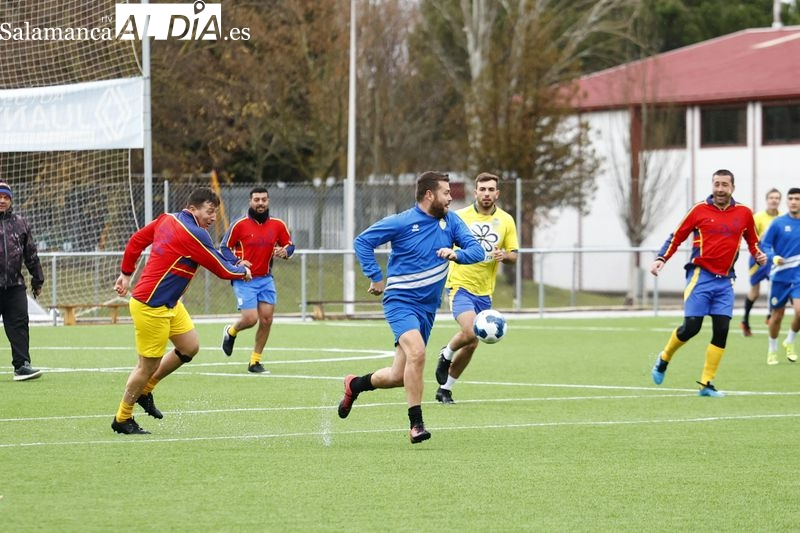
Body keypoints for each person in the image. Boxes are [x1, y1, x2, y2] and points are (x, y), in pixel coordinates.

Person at [337, 171, 484, 443]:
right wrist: (375, 276)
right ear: (430, 195)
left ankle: (355, 384)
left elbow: (478, 251)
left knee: (397, 376)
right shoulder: (402, 221)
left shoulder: (451, 222)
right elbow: (363, 242)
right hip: (400, 302)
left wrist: (457, 254)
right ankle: (416, 424)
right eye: (446, 193)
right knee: (417, 353)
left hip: (427, 309)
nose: (451, 197)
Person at [111, 187, 252, 435]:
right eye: (209, 212)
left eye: (215, 213)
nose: (212, 218)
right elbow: (221, 270)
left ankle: (146, 390)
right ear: (193, 208)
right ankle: (122, 418)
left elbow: (137, 240)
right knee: (146, 366)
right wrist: (241, 270)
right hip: (150, 306)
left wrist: (125, 274)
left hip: (170, 304)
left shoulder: (167, 219)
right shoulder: (194, 233)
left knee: (189, 347)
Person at [649, 169, 766, 397]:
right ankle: (664, 358)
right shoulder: (699, 210)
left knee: (721, 330)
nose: (720, 189)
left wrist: (759, 255)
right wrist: (661, 258)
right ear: (712, 185)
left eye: (724, 185)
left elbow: (753, 242)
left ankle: (706, 383)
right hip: (700, 277)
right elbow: (676, 236)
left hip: (725, 281)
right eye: (716, 184)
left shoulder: (743, 213)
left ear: (733, 187)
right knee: (691, 328)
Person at [434, 172, 519, 403]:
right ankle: (446, 353)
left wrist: (506, 255)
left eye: (491, 190)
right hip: (460, 285)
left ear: (497, 193)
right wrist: (449, 254)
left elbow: (514, 255)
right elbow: (444, 244)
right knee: (471, 331)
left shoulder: (506, 220)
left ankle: (445, 389)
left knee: (472, 343)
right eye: (483, 189)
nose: (487, 194)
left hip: (485, 291)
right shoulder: (459, 217)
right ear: (475, 192)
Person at [220, 186, 294, 372]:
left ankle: (255, 361)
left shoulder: (278, 225)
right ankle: (231, 331)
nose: (260, 203)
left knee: (267, 319)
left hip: (266, 278)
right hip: (244, 278)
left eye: (263, 200)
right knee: (251, 318)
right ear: (250, 202)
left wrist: (285, 251)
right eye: (256, 200)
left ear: (268, 201)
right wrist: (238, 262)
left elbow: (290, 245)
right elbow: (224, 248)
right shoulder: (239, 225)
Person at [0, 182, 44, 382]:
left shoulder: (21, 223)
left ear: (11, 200)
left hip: (15, 286)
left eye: (6, 197)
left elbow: (31, 254)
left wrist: (38, 279)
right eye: (0, 197)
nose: (2, 200)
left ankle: (22, 366)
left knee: (19, 324)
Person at [759, 188, 800, 365]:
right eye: (790, 198)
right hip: (780, 276)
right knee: (777, 316)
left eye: (797, 199)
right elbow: (765, 245)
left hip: (798, 276)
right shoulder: (778, 223)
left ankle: (789, 341)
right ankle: (772, 349)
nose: (793, 202)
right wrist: (773, 257)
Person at [740, 188, 781, 336]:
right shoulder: (757, 217)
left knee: (776, 286)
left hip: (775, 258)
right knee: (755, 291)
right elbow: (748, 236)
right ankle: (745, 321)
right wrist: (761, 237)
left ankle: (770, 316)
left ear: (780, 201)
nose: (774, 200)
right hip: (757, 257)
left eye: (777, 198)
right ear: (767, 200)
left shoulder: (782, 218)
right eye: (771, 197)